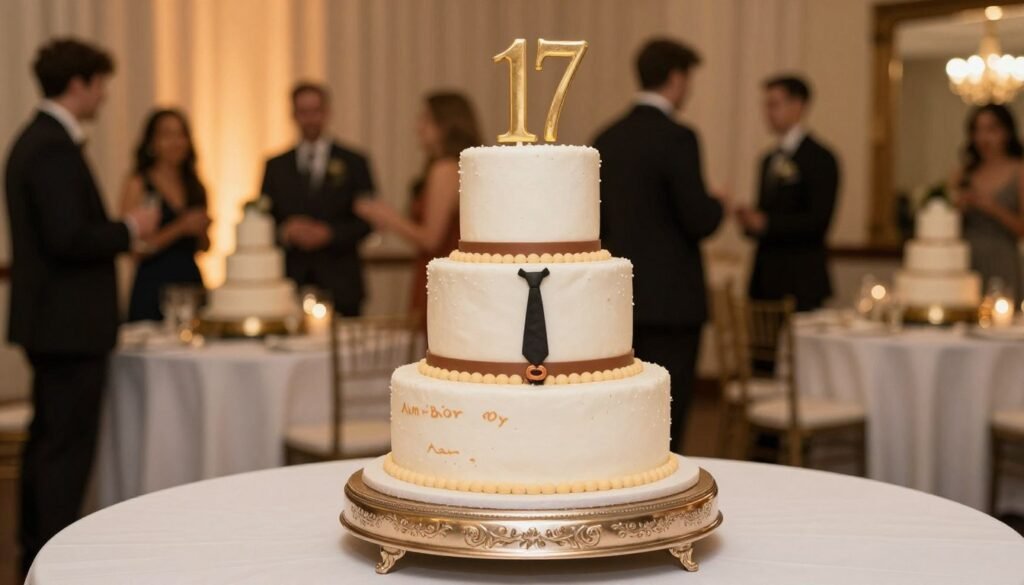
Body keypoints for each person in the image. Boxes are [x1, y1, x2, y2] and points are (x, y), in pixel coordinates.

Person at [4, 38, 159, 573]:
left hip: (56, 324)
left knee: (51, 442)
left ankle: (36, 549)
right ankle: (51, 557)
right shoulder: (50, 146)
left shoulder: (41, 140)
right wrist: (129, 228)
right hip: (67, 326)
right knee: (62, 451)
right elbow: (68, 237)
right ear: (79, 84)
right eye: (101, 84)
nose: (105, 95)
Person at [592, 39, 725, 453]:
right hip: (673, 300)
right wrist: (718, 204)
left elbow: (598, 220)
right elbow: (698, 219)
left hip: (619, 297)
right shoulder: (679, 137)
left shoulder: (606, 138)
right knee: (670, 408)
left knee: (623, 406)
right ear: (676, 77)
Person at [355, 92, 481, 324]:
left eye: (425, 119)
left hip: (442, 275)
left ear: (445, 124)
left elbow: (431, 239)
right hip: (447, 273)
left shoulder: (445, 169)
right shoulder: (458, 165)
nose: (418, 127)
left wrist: (388, 216)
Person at [260, 82, 375, 317]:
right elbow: (263, 220)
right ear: (293, 115)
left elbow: (368, 221)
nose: (310, 119)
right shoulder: (276, 166)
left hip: (341, 281)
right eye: (303, 112)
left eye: (316, 111)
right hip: (291, 282)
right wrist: (287, 231)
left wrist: (329, 233)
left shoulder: (354, 162)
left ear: (327, 112)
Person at [737, 75, 839, 311]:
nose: (767, 112)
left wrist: (766, 223)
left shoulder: (821, 159)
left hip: (802, 279)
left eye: (774, 104)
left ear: (797, 106)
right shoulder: (768, 160)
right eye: (766, 105)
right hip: (765, 279)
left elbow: (819, 221)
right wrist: (750, 222)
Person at [122, 109, 210, 321]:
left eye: (181, 135)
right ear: (152, 142)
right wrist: (179, 227)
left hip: (190, 282)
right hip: (153, 284)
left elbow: (204, 247)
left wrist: (201, 230)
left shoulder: (196, 186)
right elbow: (132, 247)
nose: (175, 142)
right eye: (167, 135)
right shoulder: (139, 184)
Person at [952, 103, 1024, 300]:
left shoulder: (1019, 171)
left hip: (1002, 257)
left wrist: (990, 207)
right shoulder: (964, 173)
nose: (984, 138)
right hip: (966, 260)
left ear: (1006, 132)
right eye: (978, 130)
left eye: (991, 129)